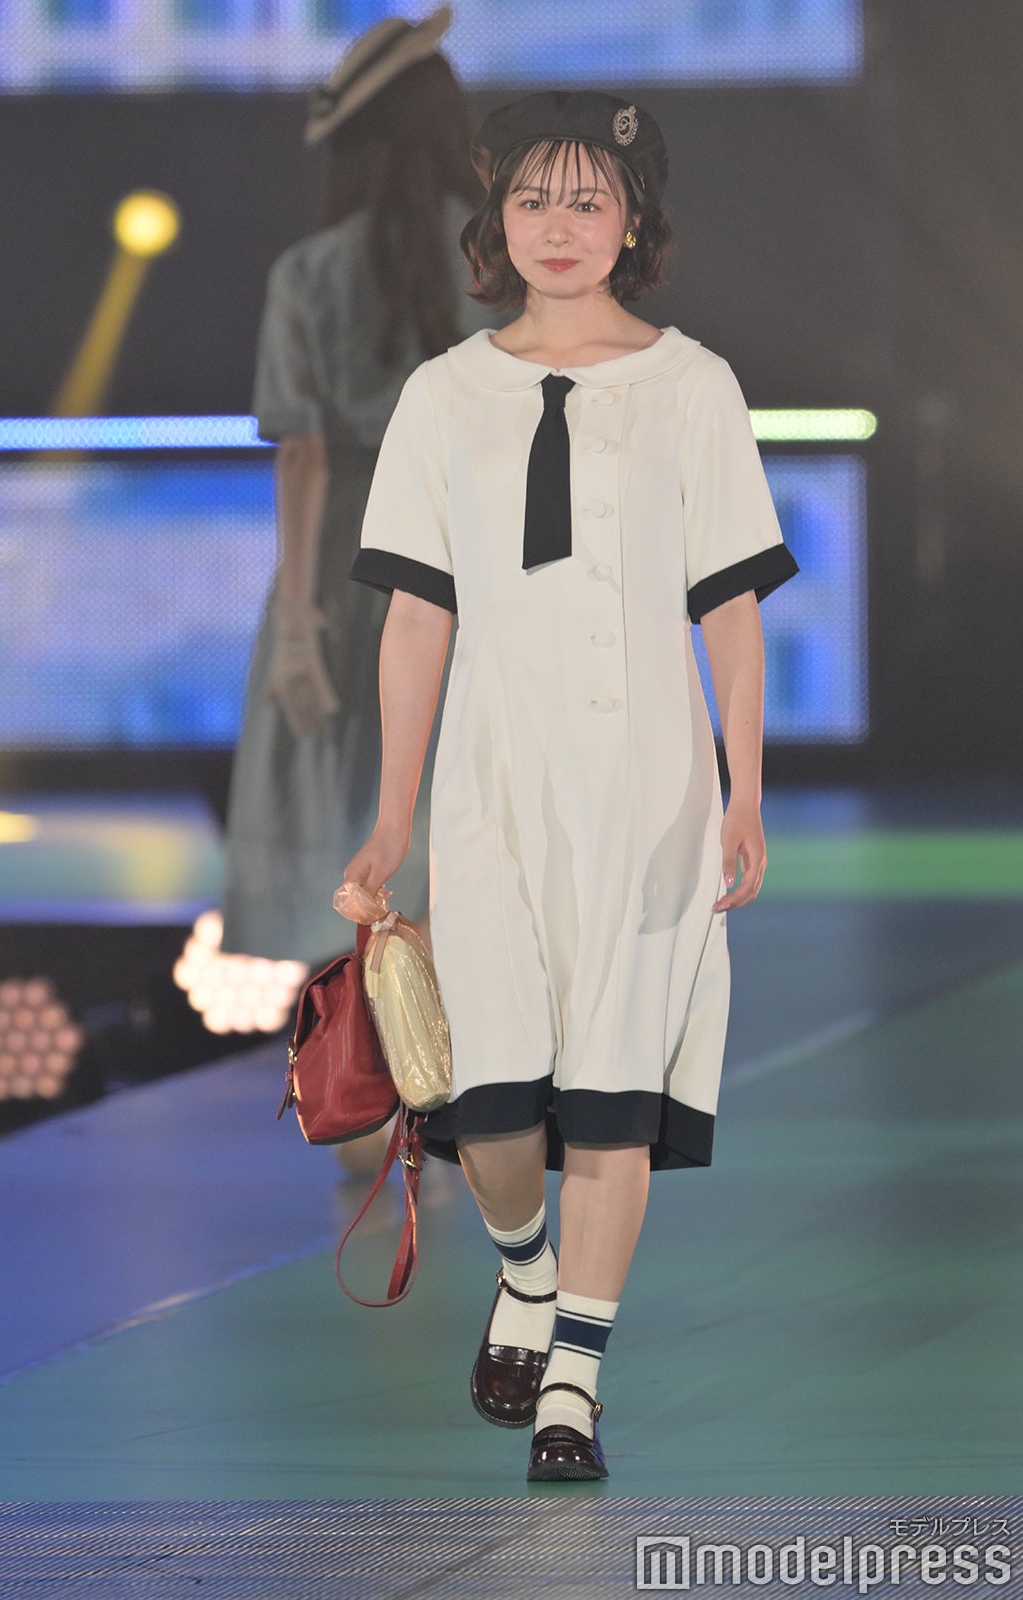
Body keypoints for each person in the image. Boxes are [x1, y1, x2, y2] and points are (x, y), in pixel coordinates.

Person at [344, 90, 799, 1482]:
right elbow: (415, 617)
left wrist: (743, 790)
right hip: (492, 784)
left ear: (634, 223)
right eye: (533, 199)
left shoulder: (693, 386)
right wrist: (391, 820)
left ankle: (573, 1391)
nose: (559, 225)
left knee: (612, 1096)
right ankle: (526, 1272)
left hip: (648, 789)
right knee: (486, 1104)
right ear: (496, 221)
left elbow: (730, 611)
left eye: (588, 200)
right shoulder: (445, 395)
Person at [219, 6, 499, 983]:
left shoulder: (309, 273)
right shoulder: (504, 261)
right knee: (471, 809)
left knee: (349, 812)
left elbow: (304, 454)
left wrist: (299, 627)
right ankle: (466, 1048)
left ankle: (370, 1054)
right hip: (476, 560)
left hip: (349, 571)